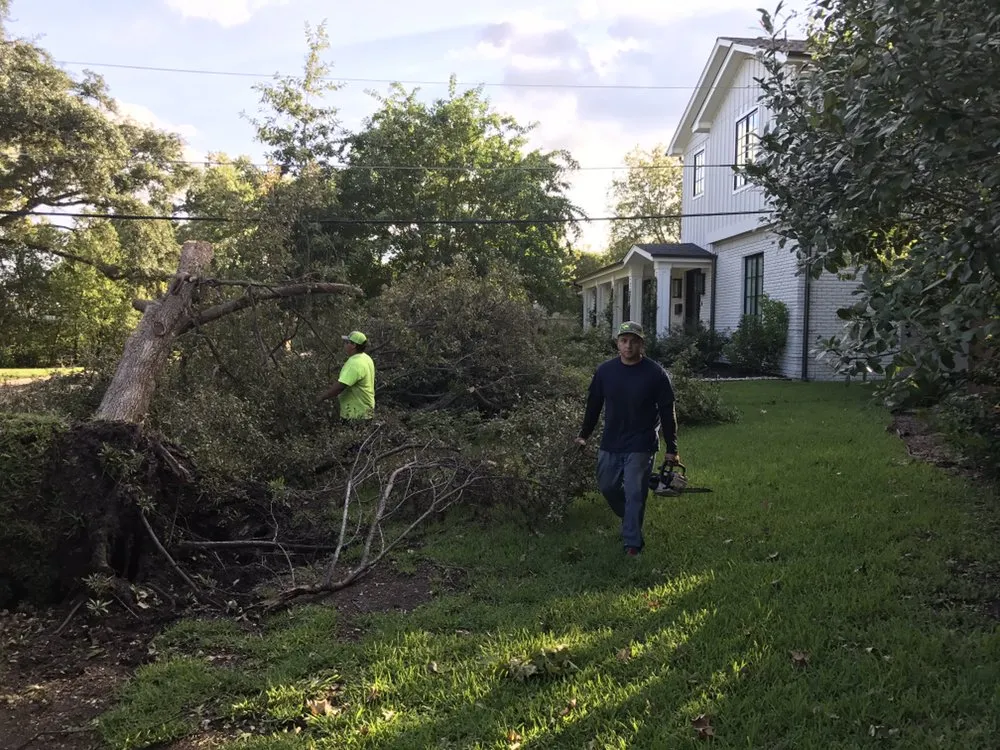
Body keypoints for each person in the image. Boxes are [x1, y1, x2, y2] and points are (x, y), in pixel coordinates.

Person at [575, 321, 679, 556]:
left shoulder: (655, 373)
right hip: (611, 440)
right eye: (624, 341)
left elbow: (667, 410)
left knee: (634, 492)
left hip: (642, 442)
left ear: (642, 344)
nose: (628, 345)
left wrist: (672, 447)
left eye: (634, 341)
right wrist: (583, 435)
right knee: (608, 486)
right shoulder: (605, 371)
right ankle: (630, 513)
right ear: (617, 344)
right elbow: (593, 406)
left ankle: (632, 543)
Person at [315, 330, 376, 420]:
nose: (344, 345)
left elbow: (341, 386)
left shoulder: (355, 363)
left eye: (347, 342)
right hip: (366, 410)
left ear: (354, 345)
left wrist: (321, 397)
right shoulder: (366, 358)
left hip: (354, 413)